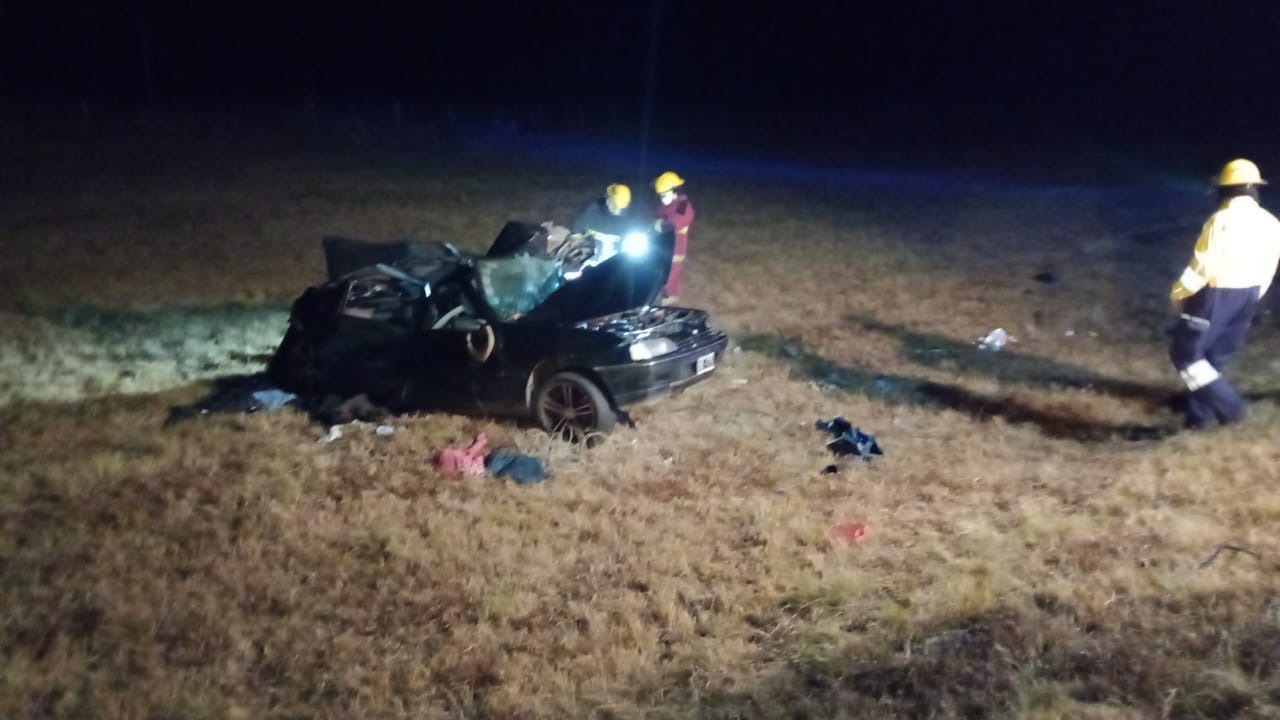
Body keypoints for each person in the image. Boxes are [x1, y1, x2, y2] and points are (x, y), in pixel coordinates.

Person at [1168, 158, 1280, 429]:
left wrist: (1179, 293)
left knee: (1186, 355)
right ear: (1253, 188)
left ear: (1224, 189)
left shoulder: (1221, 221)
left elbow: (1203, 266)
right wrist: (1255, 294)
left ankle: (1232, 408)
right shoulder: (1271, 222)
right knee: (1214, 356)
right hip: (1249, 294)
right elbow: (1270, 263)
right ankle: (1200, 416)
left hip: (1213, 295)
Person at [653, 171, 695, 305]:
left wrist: (661, 224)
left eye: (664, 195)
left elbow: (675, 223)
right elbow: (657, 215)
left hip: (677, 245)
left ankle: (670, 296)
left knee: (672, 271)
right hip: (663, 242)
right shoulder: (665, 204)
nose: (662, 198)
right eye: (660, 195)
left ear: (674, 191)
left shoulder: (682, 205)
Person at [571, 183, 635, 239]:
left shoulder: (627, 219)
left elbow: (630, 234)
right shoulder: (594, 209)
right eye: (615, 206)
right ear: (609, 200)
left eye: (622, 208)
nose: (618, 211)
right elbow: (577, 230)